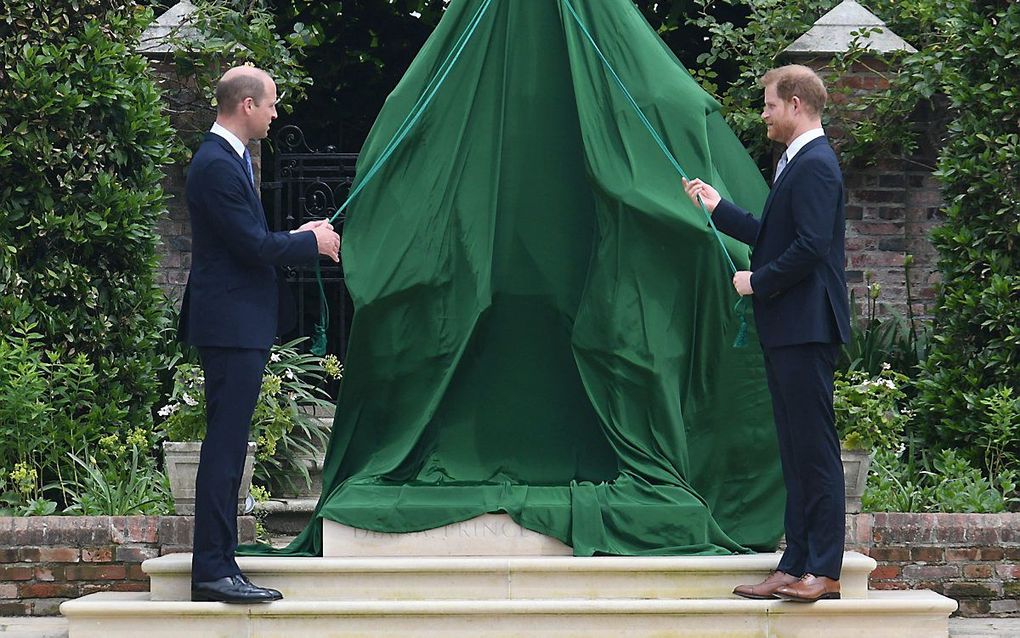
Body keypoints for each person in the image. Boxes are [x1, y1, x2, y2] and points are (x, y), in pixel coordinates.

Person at [683, 64, 851, 603]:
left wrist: (757, 282)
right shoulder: (793, 162)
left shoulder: (817, 164)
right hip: (788, 329)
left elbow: (810, 248)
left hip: (806, 327)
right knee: (795, 450)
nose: (764, 114)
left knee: (815, 451)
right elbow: (776, 236)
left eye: (769, 105)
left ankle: (822, 571)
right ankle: (794, 563)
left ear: (796, 104)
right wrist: (719, 209)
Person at [179, 65, 340, 603]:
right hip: (229, 325)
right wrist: (309, 244)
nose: (275, 113)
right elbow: (250, 246)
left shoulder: (231, 159)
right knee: (225, 448)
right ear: (246, 105)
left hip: (236, 323)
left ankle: (221, 565)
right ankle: (212, 573)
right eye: (271, 104)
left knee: (228, 446)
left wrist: (298, 234)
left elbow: (246, 240)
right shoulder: (216, 164)